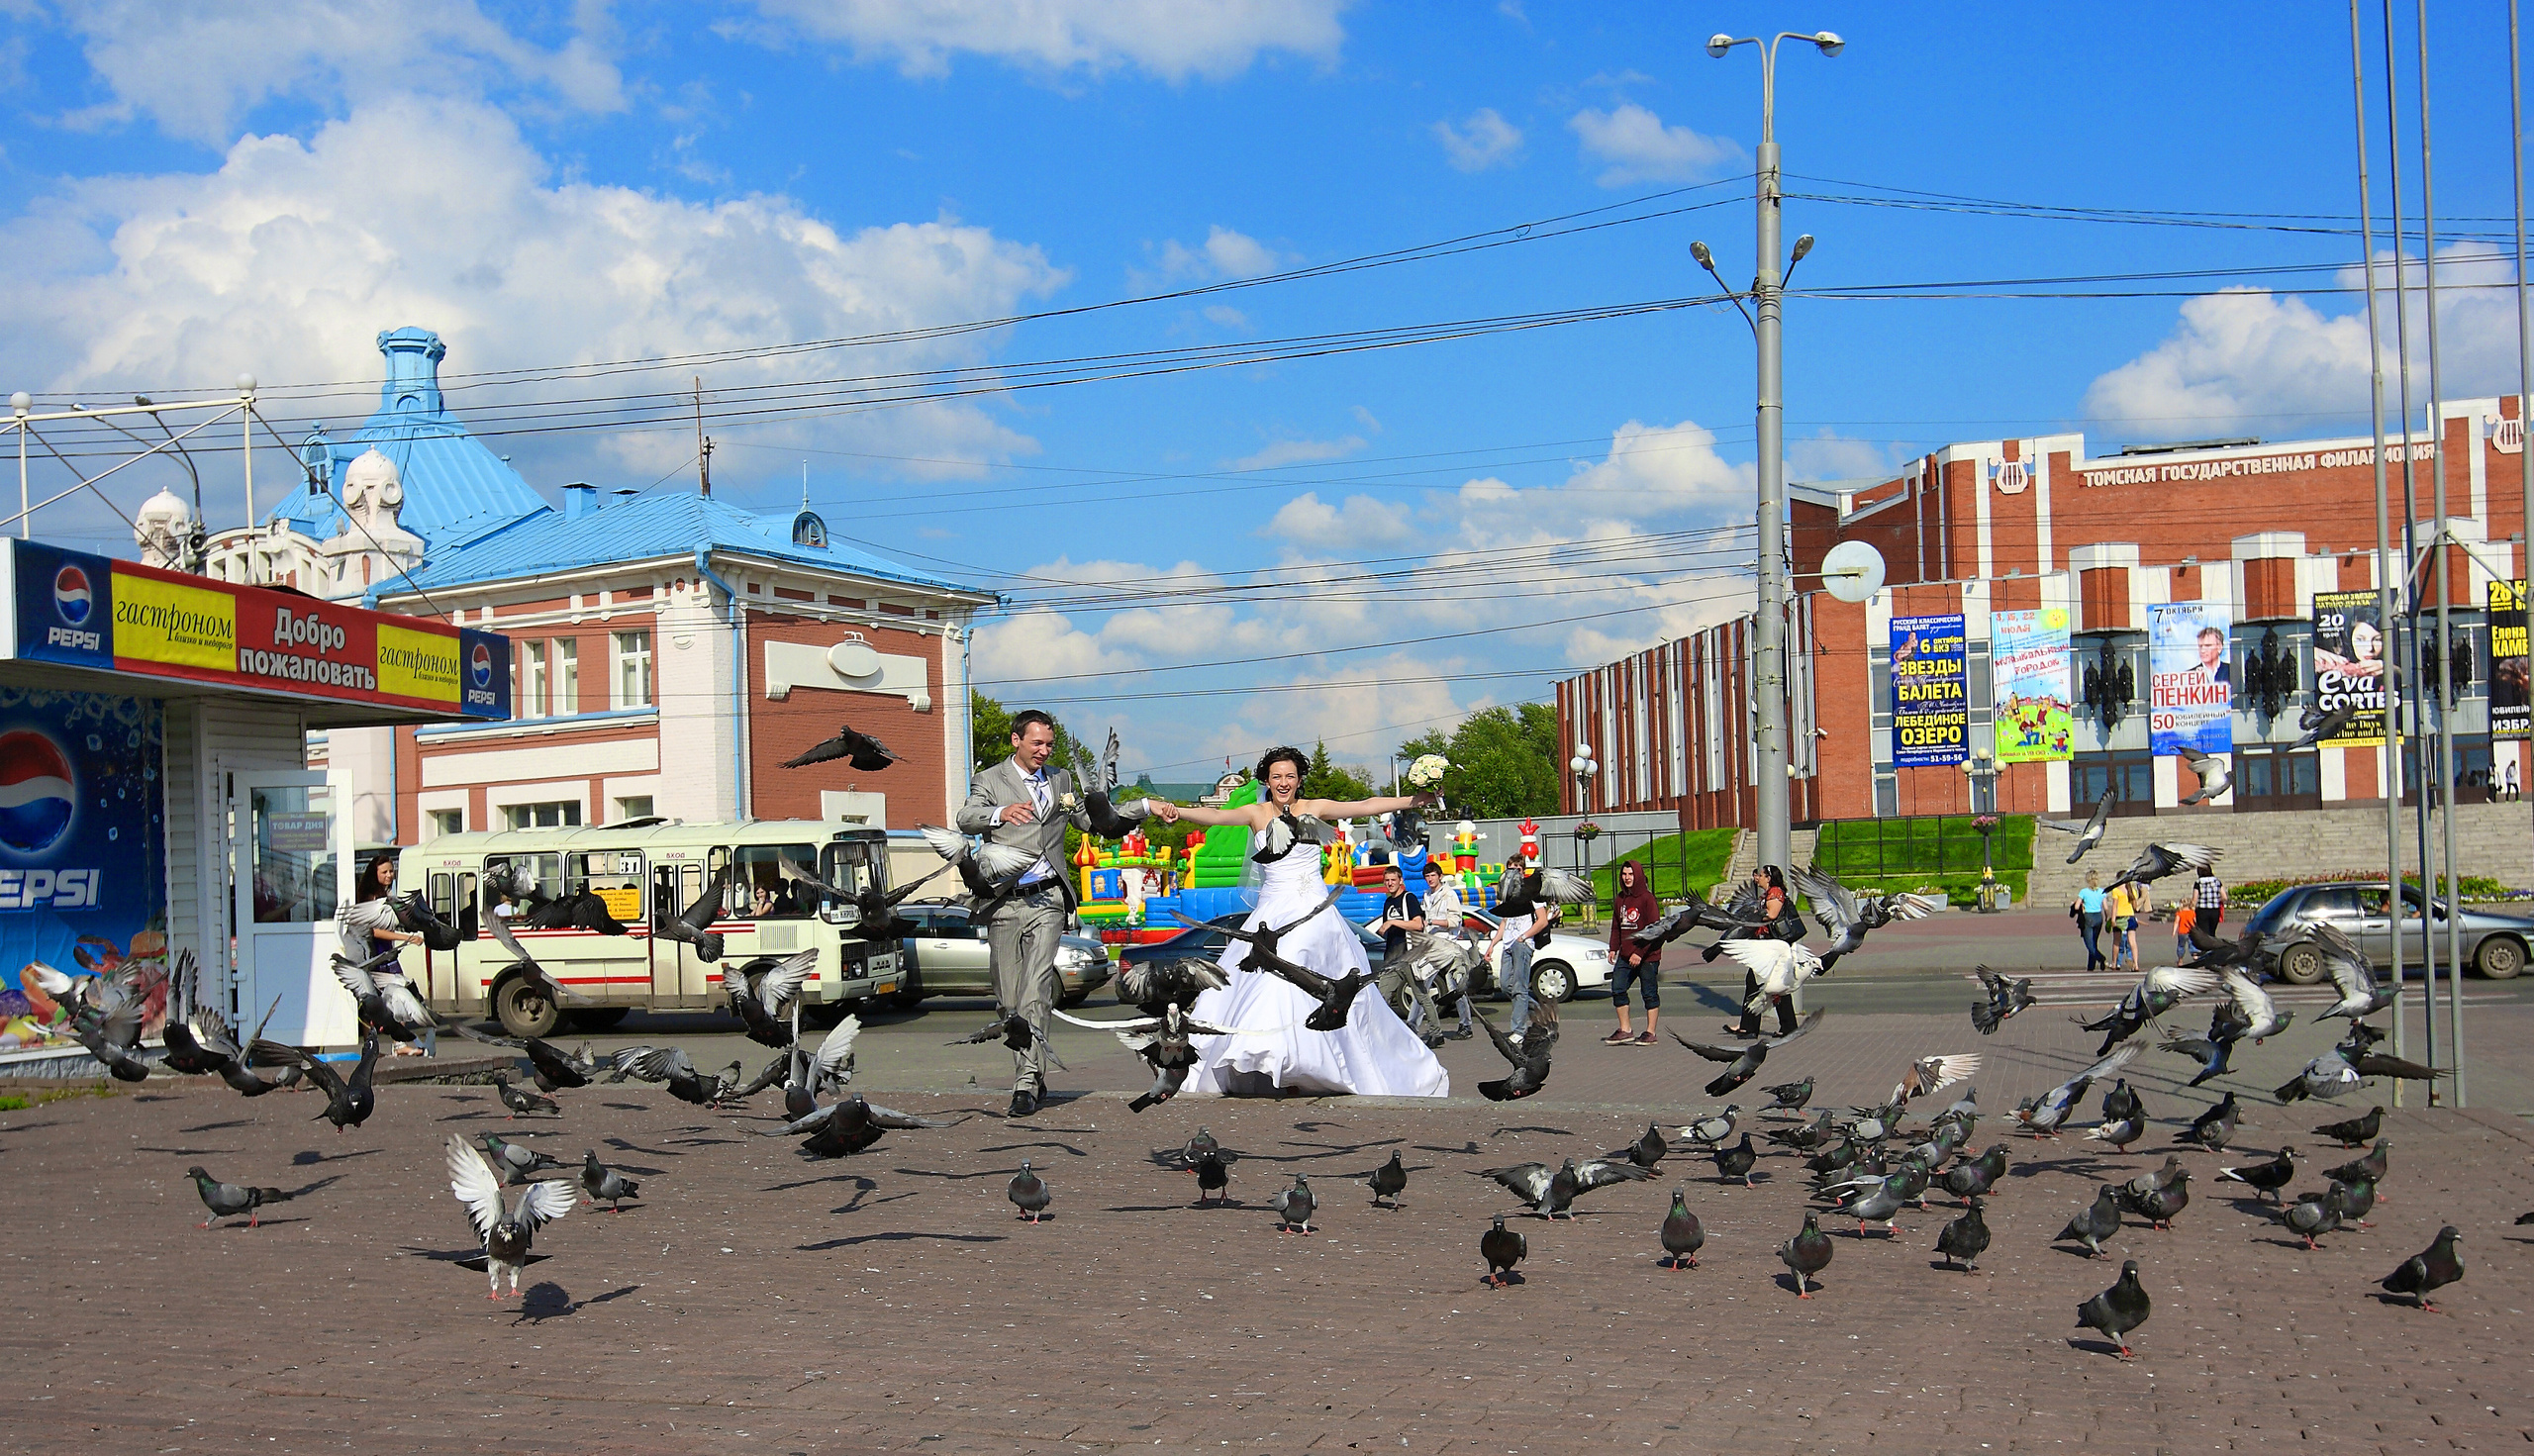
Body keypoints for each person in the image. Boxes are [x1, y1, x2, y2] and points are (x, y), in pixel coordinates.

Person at [1150, 748, 1447, 1098]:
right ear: (1267, 780)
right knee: (1258, 977)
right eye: (1277, 776)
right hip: (1271, 911)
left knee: (1302, 969)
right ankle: (1274, 1059)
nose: (1283, 783)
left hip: (1314, 914)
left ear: (1299, 779)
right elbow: (1214, 818)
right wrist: (1176, 811)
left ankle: (1306, 1063)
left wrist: (1416, 799)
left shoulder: (1314, 809)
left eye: (1289, 776)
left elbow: (1365, 804)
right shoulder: (1254, 813)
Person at [954, 709, 1100, 1117]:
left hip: (1048, 900)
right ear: (1017, 740)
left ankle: (1025, 1082)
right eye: (1037, 743)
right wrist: (1000, 813)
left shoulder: (1062, 780)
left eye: (1049, 744)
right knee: (1008, 1000)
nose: (1044, 750)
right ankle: (1033, 1071)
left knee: (1036, 991)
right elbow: (966, 819)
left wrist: (1123, 807)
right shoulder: (990, 780)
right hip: (1004, 900)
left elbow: (1087, 820)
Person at [352, 855, 431, 1056]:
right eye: (384, 872)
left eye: (391, 871)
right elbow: (373, 931)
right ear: (374, 874)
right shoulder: (370, 898)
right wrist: (406, 938)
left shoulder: (385, 895)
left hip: (387, 953)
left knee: (397, 994)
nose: (389, 875)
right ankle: (373, 1047)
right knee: (376, 1000)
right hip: (376, 955)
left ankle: (397, 1044)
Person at [1482, 852, 1558, 1042]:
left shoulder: (1532, 892)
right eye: (1510, 869)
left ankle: (1518, 1031)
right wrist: (1492, 944)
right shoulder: (1508, 895)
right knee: (1507, 986)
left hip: (1522, 944)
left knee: (1520, 988)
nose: (1513, 873)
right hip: (1508, 944)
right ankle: (1539, 1012)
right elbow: (1504, 922)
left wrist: (1524, 937)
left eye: (1517, 869)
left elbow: (1542, 921)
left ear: (1523, 872)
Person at [1369, 865, 1444, 1048]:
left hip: (1409, 955)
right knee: (1382, 996)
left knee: (1421, 995)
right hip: (1392, 958)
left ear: (1400, 880)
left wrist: (1392, 922)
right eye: (1386, 880)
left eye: (1393, 880)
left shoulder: (1408, 898)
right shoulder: (1388, 902)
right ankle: (1381, 1035)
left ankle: (1437, 1033)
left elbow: (1418, 925)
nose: (1389, 884)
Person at [1725, 866, 1799, 1038]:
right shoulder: (1768, 894)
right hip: (1767, 945)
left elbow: (1772, 915)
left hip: (1771, 946)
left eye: (1760, 875)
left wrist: (1755, 917)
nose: (1756, 878)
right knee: (1773, 986)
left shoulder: (1775, 892)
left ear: (1769, 877)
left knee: (1757, 983)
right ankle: (1786, 1026)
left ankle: (1750, 1028)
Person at [1607, 859, 1662, 1045]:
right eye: (1624, 874)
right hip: (1625, 954)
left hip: (1647, 955)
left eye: (1631, 874)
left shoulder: (1647, 898)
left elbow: (1655, 929)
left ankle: (1650, 1032)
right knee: (1618, 988)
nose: (1627, 878)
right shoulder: (1620, 898)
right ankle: (1625, 1029)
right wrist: (1613, 947)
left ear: (1637, 875)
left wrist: (1640, 952)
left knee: (1649, 993)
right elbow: (1616, 926)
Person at [1417, 860, 1475, 1040]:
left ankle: (1466, 1025)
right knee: (1422, 983)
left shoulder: (1449, 895)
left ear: (1440, 876)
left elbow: (1455, 921)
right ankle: (1413, 1026)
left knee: (1454, 987)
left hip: (1448, 946)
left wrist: (1432, 922)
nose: (1430, 879)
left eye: (1433, 875)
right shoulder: (1427, 895)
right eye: (1427, 876)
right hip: (1432, 945)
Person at [2073, 871, 2106, 972]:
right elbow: (2105, 907)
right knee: (2094, 942)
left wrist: (2082, 904)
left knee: (2089, 944)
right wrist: (2108, 917)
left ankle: (2100, 958)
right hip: (2099, 917)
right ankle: (2090, 966)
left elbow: (2076, 906)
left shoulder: (2084, 892)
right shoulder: (2102, 891)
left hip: (2088, 917)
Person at [2193, 865, 2226, 939]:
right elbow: (2224, 897)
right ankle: (2212, 948)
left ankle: (2206, 949)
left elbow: (2195, 899)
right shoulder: (2217, 881)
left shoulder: (2198, 882)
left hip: (2202, 910)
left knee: (2204, 933)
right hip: (2214, 910)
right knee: (2212, 933)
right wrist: (2215, 899)